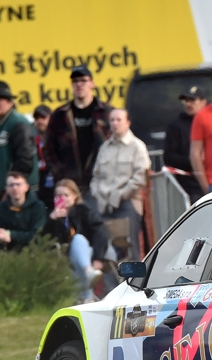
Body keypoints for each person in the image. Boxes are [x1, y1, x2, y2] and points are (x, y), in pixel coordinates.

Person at [43, 66, 111, 200]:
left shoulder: (106, 112)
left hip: (101, 182)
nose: (79, 84)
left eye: (83, 81)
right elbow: (49, 149)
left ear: (92, 83)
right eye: (75, 81)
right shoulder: (60, 114)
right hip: (70, 185)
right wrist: (60, 173)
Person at [91, 108, 150, 261]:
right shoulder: (104, 147)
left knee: (129, 250)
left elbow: (140, 177)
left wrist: (120, 195)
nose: (115, 123)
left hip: (127, 203)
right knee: (105, 251)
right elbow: (95, 177)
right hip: (104, 205)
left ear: (128, 123)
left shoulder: (137, 146)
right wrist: (98, 194)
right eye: (112, 120)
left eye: (119, 120)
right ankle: (111, 278)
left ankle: (135, 277)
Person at [45, 178, 109, 300]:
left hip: (89, 253)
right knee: (73, 258)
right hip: (63, 256)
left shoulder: (84, 211)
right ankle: (87, 295)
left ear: (75, 196)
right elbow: (44, 239)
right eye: (58, 196)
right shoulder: (51, 216)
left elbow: (100, 233)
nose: (62, 199)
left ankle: (88, 277)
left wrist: (98, 258)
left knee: (78, 239)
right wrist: (52, 220)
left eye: (66, 195)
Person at [0, 80, 37, 206]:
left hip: (16, 195)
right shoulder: (1, 125)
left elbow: (24, 161)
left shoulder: (17, 123)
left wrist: (12, 189)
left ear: (11, 102)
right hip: (3, 193)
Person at [163, 85, 206, 202]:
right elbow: (169, 157)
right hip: (190, 187)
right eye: (186, 100)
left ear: (203, 102)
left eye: (192, 100)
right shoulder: (176, 127)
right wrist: (194, 160)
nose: (188, 104)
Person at [0, 171, 46, 253]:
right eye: (11, 185)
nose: (15, 188)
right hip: (7, 253)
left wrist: (10, 234)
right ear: (6, 189)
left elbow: (36, 235)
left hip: (32, 253)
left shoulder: (38, 206)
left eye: (18, 184)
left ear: (26, 187)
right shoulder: (0, 207)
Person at [32, 104, 55, 210]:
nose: (39, 121)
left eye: (43, 117)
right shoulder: (31, 140)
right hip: (39, 184)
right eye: (37, 118)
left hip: (56, 181)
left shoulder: (58, 138)